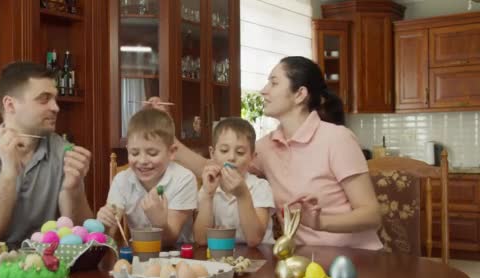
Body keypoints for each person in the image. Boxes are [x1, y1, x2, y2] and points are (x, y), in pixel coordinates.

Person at [148, 56, 382, 250]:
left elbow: (371, 215)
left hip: (355, 257)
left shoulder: (337, 139)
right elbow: (213, 168)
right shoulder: (267, 147)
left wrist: (320, 222)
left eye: (273, 82)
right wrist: (166, 133)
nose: (263, 90)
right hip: (302, 260)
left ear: (300, 94)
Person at [0, 61, 93, 249]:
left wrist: (73, 189)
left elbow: (81, 240)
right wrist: (8, 173)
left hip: (48, 269)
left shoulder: (65, 152)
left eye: (55, 98)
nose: (56, 107)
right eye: (44, 99)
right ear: (10, 104)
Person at [96, 108, 197, 247]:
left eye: (152, 153)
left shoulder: (184, 179)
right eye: (135, 153)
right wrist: (105, 225)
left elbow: (169, 241)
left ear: (171, 152)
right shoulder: (121, 180)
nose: (142, 160)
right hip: (139, 254)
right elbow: (109, 236)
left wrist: (159, 223)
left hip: (180, 255)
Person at [194, 118, 275, 247]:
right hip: (221, 256)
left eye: (240, 152)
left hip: (260, 256)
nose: (231, 157)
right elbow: (201, 240)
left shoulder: (260, 187)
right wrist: (208, 196)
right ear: (212, 154)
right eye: (224, 151)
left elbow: (254, 239)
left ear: (252, 158)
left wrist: (243, 194)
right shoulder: (208, 187)